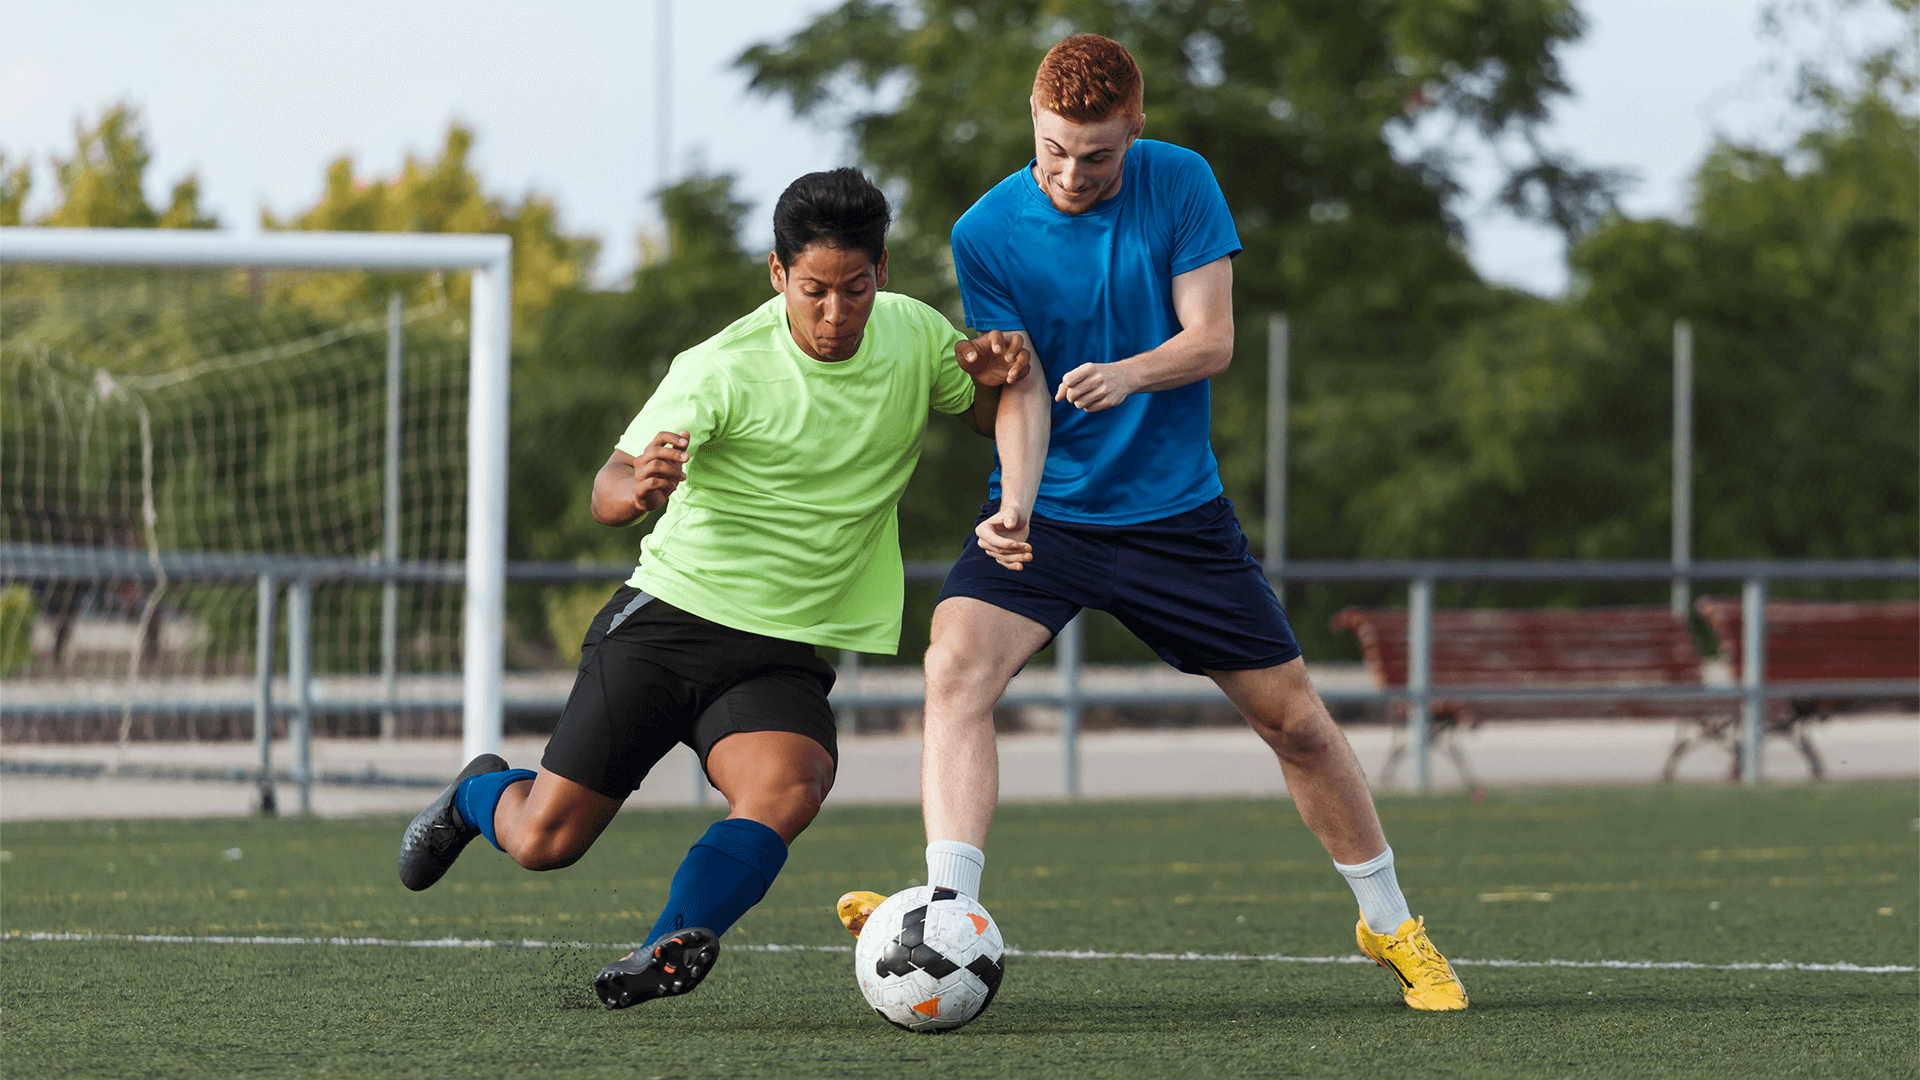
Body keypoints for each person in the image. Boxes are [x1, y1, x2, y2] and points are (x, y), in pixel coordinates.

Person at [835, 35, 1467, 1011]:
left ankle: (1391, 926)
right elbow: (1023, 387)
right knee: (954, 668)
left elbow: (1211, 339)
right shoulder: (984, 231)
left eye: (1095, 154)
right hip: (1054, 515)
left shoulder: (1181, 183)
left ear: (1134, 125)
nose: (1071, 173)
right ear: (1032, 126)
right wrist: (1012, 505)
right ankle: (946, 912)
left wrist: (1129, 372)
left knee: (1297, 727)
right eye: (1053, 149)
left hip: (1177, 517)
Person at [397, 167, 1029, 1010]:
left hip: (777, 652)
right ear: (778, 275)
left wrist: (995, 373)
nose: (836, 314)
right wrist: (642, 486)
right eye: (814, 291)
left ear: (883, 272)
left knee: (791, 785)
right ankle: (479, 791)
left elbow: (983, 414)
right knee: (544, 843)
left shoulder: (913, 334)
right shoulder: (723, 367)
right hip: (667, 626)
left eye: (856, 289)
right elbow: (608, 487)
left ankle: (667, 945)